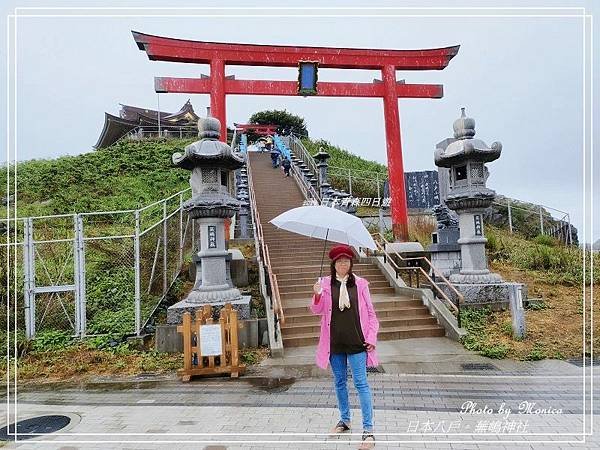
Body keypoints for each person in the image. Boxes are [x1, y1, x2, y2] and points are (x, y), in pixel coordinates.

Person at [310, 244, 379, 449]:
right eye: (339, 261)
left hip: (357, 341)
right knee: (339, 382)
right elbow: (317, 310)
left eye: (346, 261)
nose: (343, 264)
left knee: (361, 384)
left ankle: (368, 431)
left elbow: (372, 315)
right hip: (335, 343)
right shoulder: (323, 283)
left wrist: (371, 337)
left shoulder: (361, 284)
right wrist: (317, 295)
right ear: (333, 264)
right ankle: (345, 420)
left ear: (350, 263)